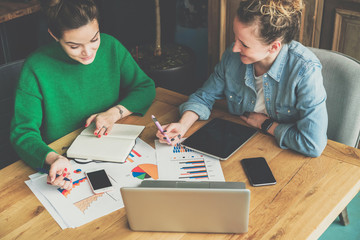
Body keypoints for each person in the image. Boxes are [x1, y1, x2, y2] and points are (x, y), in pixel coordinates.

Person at [10, 0, 156, 190]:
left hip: (111, 148)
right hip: (65, 161)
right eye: (74, 46)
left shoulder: (111, 47)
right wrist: (53, 158)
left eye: (94, 39)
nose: (88, 52)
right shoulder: (35, 67)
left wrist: (114, 113)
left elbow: (145, 87)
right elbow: (23, 133)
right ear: (54, 36)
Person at [156, 0, 328, 157]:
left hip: (283, 153)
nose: (235, 48)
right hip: (239, 143)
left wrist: (267, 125)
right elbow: (204, 96)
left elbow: (312, 144)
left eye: (244, 44)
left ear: (273, 47)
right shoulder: (233, 59)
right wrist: (182, 126)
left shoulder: (305, 71)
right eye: (236, 38)